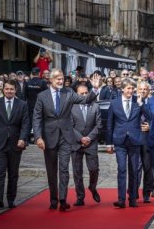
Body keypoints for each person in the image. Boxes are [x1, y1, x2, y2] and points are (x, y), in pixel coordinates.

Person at [32, 68, 101, 211]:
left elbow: (85, 99)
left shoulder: (69, 93)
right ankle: (53, 199)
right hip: (49, 137)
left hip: (65, 136)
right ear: (50, 80)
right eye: (57, 78)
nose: (60, 81)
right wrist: (38, 137)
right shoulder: (42, 96)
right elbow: (37, 118)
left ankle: (62, 199)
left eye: (62, 78)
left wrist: (94, 88)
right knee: (52, 170)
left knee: (64, 169)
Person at [0, 80, 30, 209]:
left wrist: (23, 139)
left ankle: (11, 199)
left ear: (15, 90)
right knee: (0, 171)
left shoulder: (22, 105)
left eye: (12, 89)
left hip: (16, 144)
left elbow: (26, 124)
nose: (9, 91)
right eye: (7, 89)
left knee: (13, 173)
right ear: (3, 90)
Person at [106, 78, 145, 208]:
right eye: (128, 88)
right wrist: (109, 143)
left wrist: (140, 104)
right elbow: (109, 124)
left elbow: (149, 116)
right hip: (120, 141)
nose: (130, 91)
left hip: (134, 140)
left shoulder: (137, 101)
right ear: (122, 89)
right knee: (121, 169)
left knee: (134, 171)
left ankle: (133, 198)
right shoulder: (114, 103)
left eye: (132, 88)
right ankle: (121, 199)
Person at [70, 85, 102, 206]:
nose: (84, 95)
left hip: (91, 142)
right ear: (76, 94)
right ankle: (80, 197)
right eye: (81, 93)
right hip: (76, 143)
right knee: (77, 172)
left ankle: (92, 187)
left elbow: (99, 125)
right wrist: (80, 138)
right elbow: (69, 125)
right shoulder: (71, 107)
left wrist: (89, 138)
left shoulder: (95, 106)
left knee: (94, 169)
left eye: (86, 93)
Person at [136, 81, 154, 203]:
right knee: (136, 167)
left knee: (147, 167)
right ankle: (133, 192)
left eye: (145, 89)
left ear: (148, 91)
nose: (142, 91)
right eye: (140, 89)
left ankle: (147, 192)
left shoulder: (152, 103)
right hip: (135, 138)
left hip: (147, 139)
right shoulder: (132, 101)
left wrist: (150, 127)